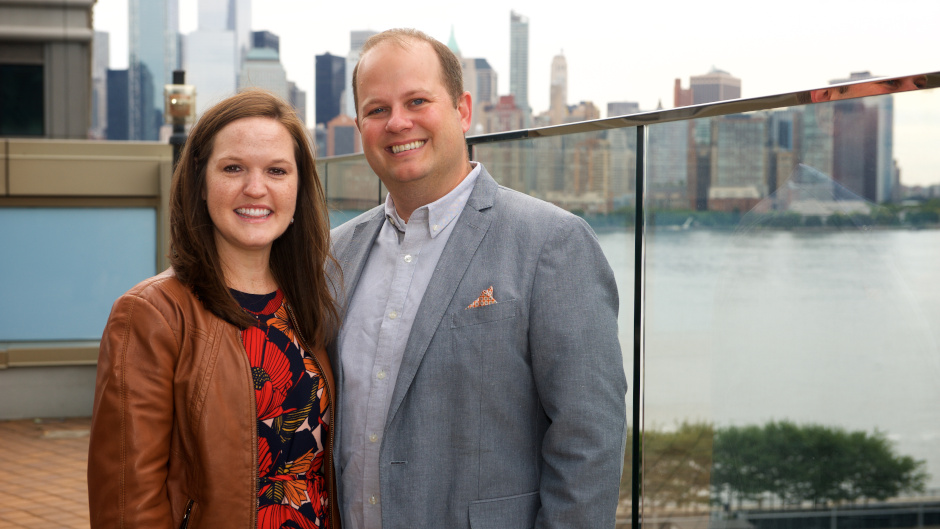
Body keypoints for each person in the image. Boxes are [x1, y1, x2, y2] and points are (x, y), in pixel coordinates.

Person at [329, 29, 627, 529]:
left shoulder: (552, 243)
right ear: (359, 125)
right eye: (376, 109)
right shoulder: (338, 253)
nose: (397, 122)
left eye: (417, 100)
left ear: (463, 110)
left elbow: (590, 441)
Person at [88, 90, 341, 528]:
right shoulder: (151, 315)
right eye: (233, 168)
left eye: (277, 170)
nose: (256, 187)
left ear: (298, 190)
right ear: (201, 185)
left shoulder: (308, 303)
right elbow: (126, 502)